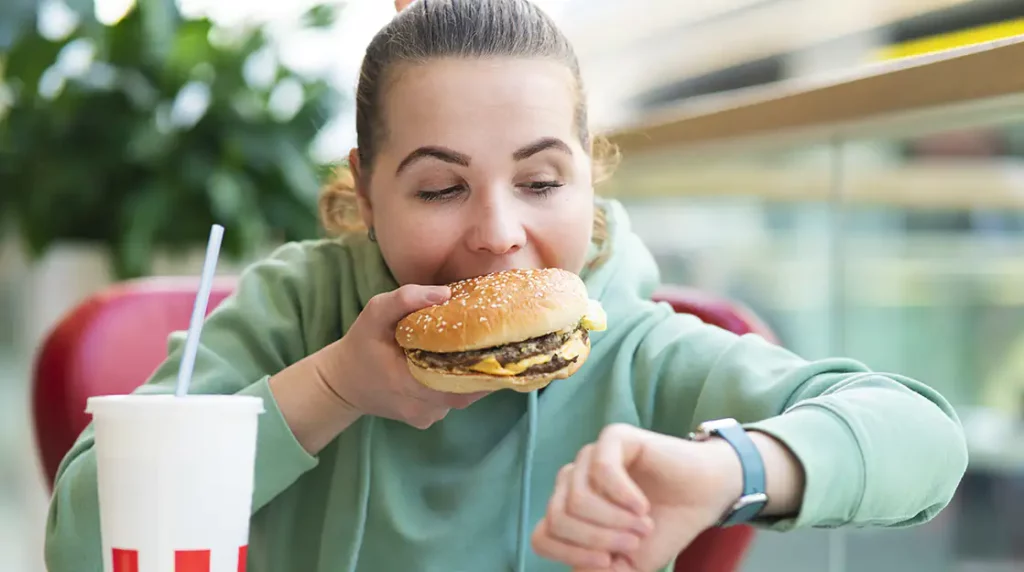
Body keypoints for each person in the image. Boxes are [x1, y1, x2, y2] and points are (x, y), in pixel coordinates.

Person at [45, 1, 968, 571]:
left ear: (590, 175)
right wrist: (330, 388)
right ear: (366, 191)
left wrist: (732, 466)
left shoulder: (632, 343)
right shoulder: (291, 311)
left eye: (539, 182)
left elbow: (925, 439)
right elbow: (80, 542)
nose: (496, 233)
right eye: (441, 187)